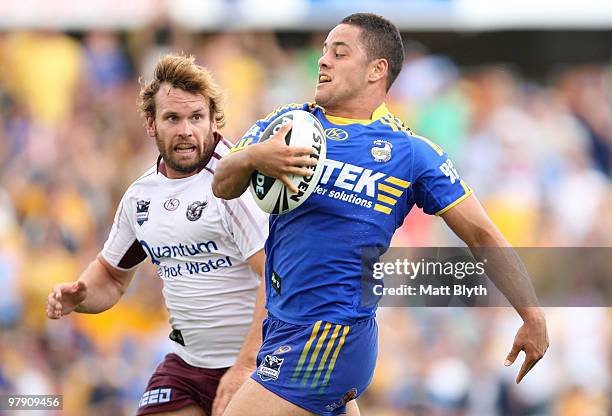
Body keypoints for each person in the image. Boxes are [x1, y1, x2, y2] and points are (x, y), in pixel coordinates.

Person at [212, 13, 549, 416]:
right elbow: (222, 184)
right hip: (284, 327)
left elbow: (482, 234)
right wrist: (253, 157)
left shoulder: (410, 152)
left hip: (330, 334)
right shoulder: (285, 126)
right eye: (323, 53)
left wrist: (531, 314)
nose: (323, 61)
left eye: (339, 53)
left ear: (377, 70)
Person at [46, 54, 269, 416]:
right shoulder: (140, 197)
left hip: (258, 364)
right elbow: (111, 276)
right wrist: (80, 294)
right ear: (151, 124)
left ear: (214, 121)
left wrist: (245, 365)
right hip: (188, 364)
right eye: (172, 118)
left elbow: (277, 278)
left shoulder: (234, 183)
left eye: (197, 117)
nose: (186, 130)